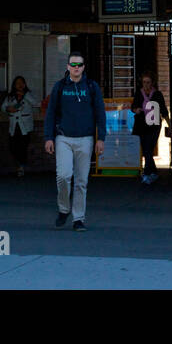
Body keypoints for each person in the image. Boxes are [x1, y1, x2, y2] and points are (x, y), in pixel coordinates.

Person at [44, 53, 106, 231]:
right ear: (68, 67)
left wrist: (100, 138)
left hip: (85, 139)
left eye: (79, 64)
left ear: (84, 67)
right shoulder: (60, 87)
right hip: (63, 137)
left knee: (81, 181)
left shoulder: (91, 87)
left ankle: (78, 218)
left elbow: (100, 114)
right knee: (63, 176)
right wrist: (48, 137)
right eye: (73, 64)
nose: (76, 67)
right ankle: (64, 209)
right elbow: (50, 113)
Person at [130, 72, 170, 184]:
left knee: (149, 148)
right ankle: (152, 172)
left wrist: (170, 125)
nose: (146, 84)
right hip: (142, 124)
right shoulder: (138, 93)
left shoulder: (157, 94)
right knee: (146, 149)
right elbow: (133, 106)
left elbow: (164, 111)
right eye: (144, 82)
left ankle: (148, 173)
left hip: (154, 125)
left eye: (148, 82)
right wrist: (135, 110)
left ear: (152, 83)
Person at [1, 76, 37, 177]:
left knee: (23, 146)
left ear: (24, 84)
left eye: (22, 83)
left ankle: (21, 166)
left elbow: (36, 103)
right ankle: (20, 163)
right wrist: (9, 109)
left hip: (25, 125)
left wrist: (25, 95)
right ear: (14, 85)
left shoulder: (28, 95)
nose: (20, 85)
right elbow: (3, 107)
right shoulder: (10, 96)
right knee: (12, 146)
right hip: (14, 125)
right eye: (17, 83)